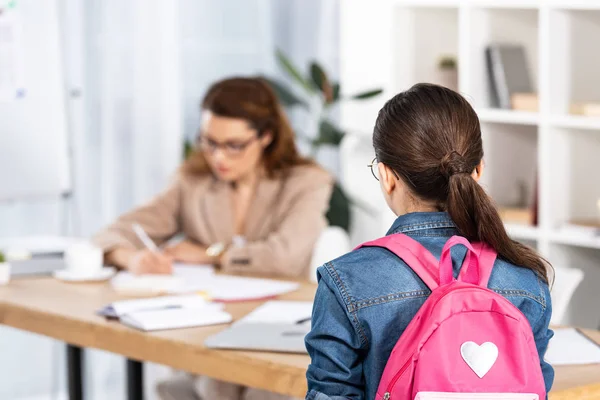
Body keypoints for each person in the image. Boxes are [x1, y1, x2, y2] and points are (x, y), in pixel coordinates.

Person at [304, 83, 554, 400]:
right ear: (477, 170)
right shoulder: (526, 277)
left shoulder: (347, 280)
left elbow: (332, 394)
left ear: (387, 176)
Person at [92, 76, 333, 400]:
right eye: (209, 142)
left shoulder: (306, 182)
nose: (218, 157)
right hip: (209, 324)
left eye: (233, 145)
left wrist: (212, 253)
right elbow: (110, 234)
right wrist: (132, 258)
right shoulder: (192, 182)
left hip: (279, 329)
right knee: (208, 383)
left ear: (265, 136)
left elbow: (284, 255)